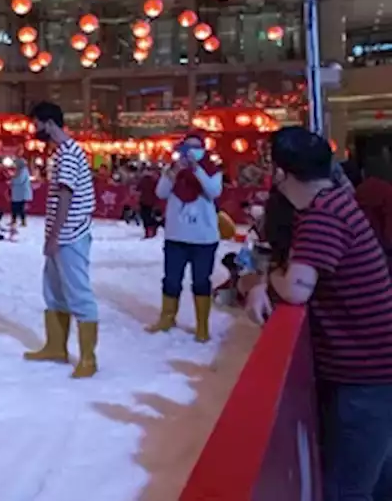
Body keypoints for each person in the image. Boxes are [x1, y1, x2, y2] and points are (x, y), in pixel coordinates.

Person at [245, 128, 392, 501]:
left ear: (280, 174)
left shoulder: (322, 216)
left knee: (348, 490)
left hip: (366, 378)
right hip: (369, 372)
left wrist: (260, 281)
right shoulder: (335, 203)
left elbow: (296, 286)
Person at [23, 102, 99, 379]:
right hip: (63, 234)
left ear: (49, 123)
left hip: (71, 235)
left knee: (79, 293)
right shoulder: (63, 152)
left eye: (37, 124)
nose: (35, 130)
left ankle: (88, 358)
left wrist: (54, 236)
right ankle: (56, 346)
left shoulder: (68, 154)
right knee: (54, 292)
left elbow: (65, 197)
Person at [144, 133, 224, 342]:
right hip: (175, 237)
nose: (191, 151)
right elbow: (161, 193)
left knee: (201, 281)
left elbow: (213, 191)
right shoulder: (173, 169)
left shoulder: (212, 171)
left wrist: (197, 169)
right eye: (187, 147)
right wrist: (173, 172)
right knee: (171, 279)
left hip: (204, 239)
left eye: (196, 147)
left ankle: (202, 325)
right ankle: (167, 317)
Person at [137, 165, 162, 238]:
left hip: (151, 202)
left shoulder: (155, 180)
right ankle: (149, 232)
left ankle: (150, 232)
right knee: (146, 217)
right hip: (145, 201)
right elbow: (139, 188)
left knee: (149, 218)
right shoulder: (145, 179)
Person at [10, 157, 33, 228]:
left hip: (21, 193)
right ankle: (14, 221)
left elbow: (20, 180)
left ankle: (23, 221)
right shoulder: (19, 171)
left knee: (20, 208)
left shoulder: (23, 171)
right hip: (17, 193)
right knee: (14, 207)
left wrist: (12, 180)